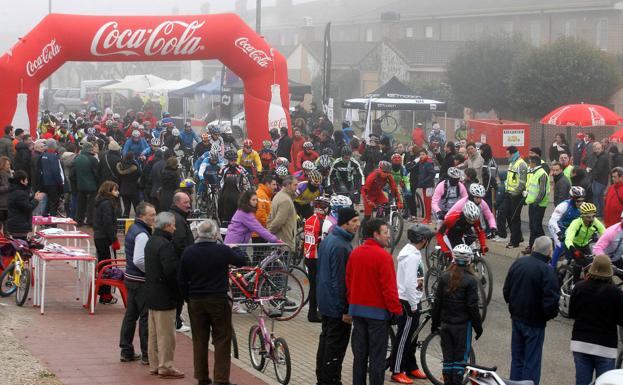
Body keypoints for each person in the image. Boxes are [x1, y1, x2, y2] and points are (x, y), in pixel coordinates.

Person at [178, 220, 247, 385]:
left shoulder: (188, 252)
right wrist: (236, 248)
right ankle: (221, 379)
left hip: (196, 300)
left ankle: (202, 377)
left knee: (199, 339)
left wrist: (188, 298)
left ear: (198, 234)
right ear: (215, 235)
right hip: (218, 299)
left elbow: (181, 279)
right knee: (222, 339)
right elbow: (241, 261)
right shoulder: (222, 250)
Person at [346, 219, 402, 385]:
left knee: (360, 357)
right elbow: (389, 289)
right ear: (376, 234)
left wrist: (352, 303)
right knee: (377, 358)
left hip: (357, 312)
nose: (389, 236)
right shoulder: (384, 257)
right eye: (385, 233)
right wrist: (396, 310)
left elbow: (348, 282)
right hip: (377, 315)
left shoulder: (355, 253)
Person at [503, 236, 559, 385]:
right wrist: (547, 315)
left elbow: (506, 290)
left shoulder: (519, 263)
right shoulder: (547, 271)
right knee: (532, 361)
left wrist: (513, 306)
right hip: (535, 323)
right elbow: (552, 300)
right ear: (549, 252)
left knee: (517, 358)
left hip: (517, 318)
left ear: (534, 248)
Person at [315, 206, 360, 385]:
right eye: (355, 221)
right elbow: (340, 281)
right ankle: (330, 379)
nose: (358, 225)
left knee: (326, 341)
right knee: (335, 346)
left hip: (326, 302)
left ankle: (323, 377)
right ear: (346, 222)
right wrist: (345, 309)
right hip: (336, 307)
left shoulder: (330, 240)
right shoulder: (341, 246)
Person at [431, 244, 483, 385]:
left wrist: (435, 324)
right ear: (469, 261)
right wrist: (478, 328)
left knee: (448, 361)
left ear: (453, 259)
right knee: (460, 362)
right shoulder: (471, 280)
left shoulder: (444, 277)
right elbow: (473, 307)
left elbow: (437, 304)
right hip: (462, 327)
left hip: (446, 324)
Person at [389, 225, 435, 383]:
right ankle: (397, 370)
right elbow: (409, 283)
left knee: (412, 337)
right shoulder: (412, 257)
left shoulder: (413, 252)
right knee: (404, 337)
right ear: (423, 240)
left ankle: (410, 366)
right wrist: (414, 306)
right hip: (408, 302)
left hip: (412, 299)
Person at [569, 254, 623, 385]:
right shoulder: (616, 293)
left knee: (582, 382)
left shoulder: (579, 287)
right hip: (605, 346)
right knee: (604, 381)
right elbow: (621, 319)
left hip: (581, 343)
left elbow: (572, 313)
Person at [145, 212, 184, 379]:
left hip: (152, 292)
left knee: (153, 333)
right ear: (167, 226)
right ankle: (166, 365)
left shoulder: (151, 241)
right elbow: (171, 271)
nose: (175, 228)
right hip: (165, 295)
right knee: (166, 334)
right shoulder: (166, 245)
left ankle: (155, 364)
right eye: (173, 225)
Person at [119, 202, 156, 365]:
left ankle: (126, 350)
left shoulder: (134, 228)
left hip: (130, 278)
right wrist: (151, 272)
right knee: (144, 317)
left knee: (130, 316)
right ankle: (147, 353)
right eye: (151, 215)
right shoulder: (142, 234)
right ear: (142, 216)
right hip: (140, 280)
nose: (154, 218)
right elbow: (139, 259)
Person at [169, 192, 195, 333]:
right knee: (178, 294)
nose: (189, 205)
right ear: (177, 203)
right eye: (185, 202)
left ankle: (176, 319)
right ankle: (177, 321)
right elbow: (179, 243)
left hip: (179, 261)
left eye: (189, 202)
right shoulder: (178, 220)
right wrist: (188, 260)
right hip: (180, 263)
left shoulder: (178, 217)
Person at [302, 196, 331, 322]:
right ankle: (313, 314)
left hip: (308, 255)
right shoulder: (322, 222)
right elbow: (322, 241)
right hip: (316, 257)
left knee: (314, 286)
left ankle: (313, 312)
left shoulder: (309, 219)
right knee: (317, 287)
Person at [92, 181, 121, 304]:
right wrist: (114, 239)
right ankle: (106, 294)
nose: (117, 192)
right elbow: (108, 222)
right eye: (115, 190)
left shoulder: (100, 202)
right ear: (109, 191)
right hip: (105, 238)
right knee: (108, 266)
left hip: (99, 236)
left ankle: (103, 292)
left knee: (103, 265)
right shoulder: (107, 204)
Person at [565, 203, 606, 281]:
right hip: (573, 244)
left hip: (585, 245)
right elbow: (568, 240)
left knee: (590, 265)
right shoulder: (576, 223)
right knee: (579, 263)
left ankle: (587, 281)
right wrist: (575, 251)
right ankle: (574, 284)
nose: (591, 219)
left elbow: (606, 234)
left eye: (593, 216)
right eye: (588, 217)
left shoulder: (595, 222)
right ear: (582, 216)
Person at [547, 186, 586, 267]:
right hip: (557, 227)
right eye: (578, 201)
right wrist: (559, 233)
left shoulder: (584, 206)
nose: (581, 203)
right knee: (560, 245)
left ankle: (568, 260)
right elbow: (552, 221)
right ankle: (552, 266)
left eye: (582, 200)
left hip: (569, 228)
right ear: (572, 199)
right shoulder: (564, 206)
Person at [7, 170, 45, 239]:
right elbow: (28, 207)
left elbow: (22, 202)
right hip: (19, 225)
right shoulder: (20, 193)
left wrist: (33, 197)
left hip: (16, 224)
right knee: (21, 246)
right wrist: (36, 200)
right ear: (22, 181)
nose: (27, 182)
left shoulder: (15, 191)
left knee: (18, 245)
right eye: (26, 180)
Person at [524, 155, 550, 254]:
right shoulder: (535, 172)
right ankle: (537, 246)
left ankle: (536, 247)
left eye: (530, 162)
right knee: (534, 226)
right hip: (533, 203)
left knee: (535, 227)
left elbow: (542, 191)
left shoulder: (542, 173)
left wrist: (536, 202)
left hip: (539, 205)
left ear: (534, 163)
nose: (529, 164)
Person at [504, 146, 528, 249]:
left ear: (513, 154)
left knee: (514, 218)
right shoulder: (512, 163)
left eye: (508, 154)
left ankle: (514, 241)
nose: (506, 156)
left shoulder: (521, 164)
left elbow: (522, 182)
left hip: (516, 196)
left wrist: (515, 192)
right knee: (509, 215)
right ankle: (519, 236)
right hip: (509, 193)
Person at [268, 175, 298, 252]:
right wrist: (269, 232)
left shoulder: (278, 195)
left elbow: (270, 217)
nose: (297, 187)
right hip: (284, 242)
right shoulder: (286, 200)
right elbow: (279, 221)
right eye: (295, 185)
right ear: (288, 185)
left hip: (280, 240)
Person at [74, 142, 99, 226]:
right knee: (91, 205)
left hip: (80, 185)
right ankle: (90, 221)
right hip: (92, 186)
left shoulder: (77, 158)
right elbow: (96, 173)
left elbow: (73, 174)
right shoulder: (93, 159)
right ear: (89, 149)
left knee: (80, 204)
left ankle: (79, 220)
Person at [116, 152, 141, 218]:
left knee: (126, 208)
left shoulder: (121, 165)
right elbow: (140, 173)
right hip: (133, 189)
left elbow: (119, 177)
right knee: (137, 207)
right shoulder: (135, 166)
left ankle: (124, 223)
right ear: (132, 157)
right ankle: (138, 221)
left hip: (123, 189)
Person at [589, 142, 609, 218]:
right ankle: (601, 213)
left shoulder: (602, 157)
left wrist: (592, 173)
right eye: (595, 148)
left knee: (596, 197)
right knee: (599, 197)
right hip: (601, 180)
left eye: (598, 149)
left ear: (601, 148)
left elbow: (599, 170)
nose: (596, 150)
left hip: (599, 180)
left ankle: (597, 213)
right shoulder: (601, 156)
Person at [0, 157, 12, 233]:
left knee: (7, 227)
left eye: (9, 164)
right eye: (7, 164)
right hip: (1, 205)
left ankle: (7, 242)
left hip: (8, 204)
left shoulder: (9, 174)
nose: (9, 166)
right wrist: (9, 187)